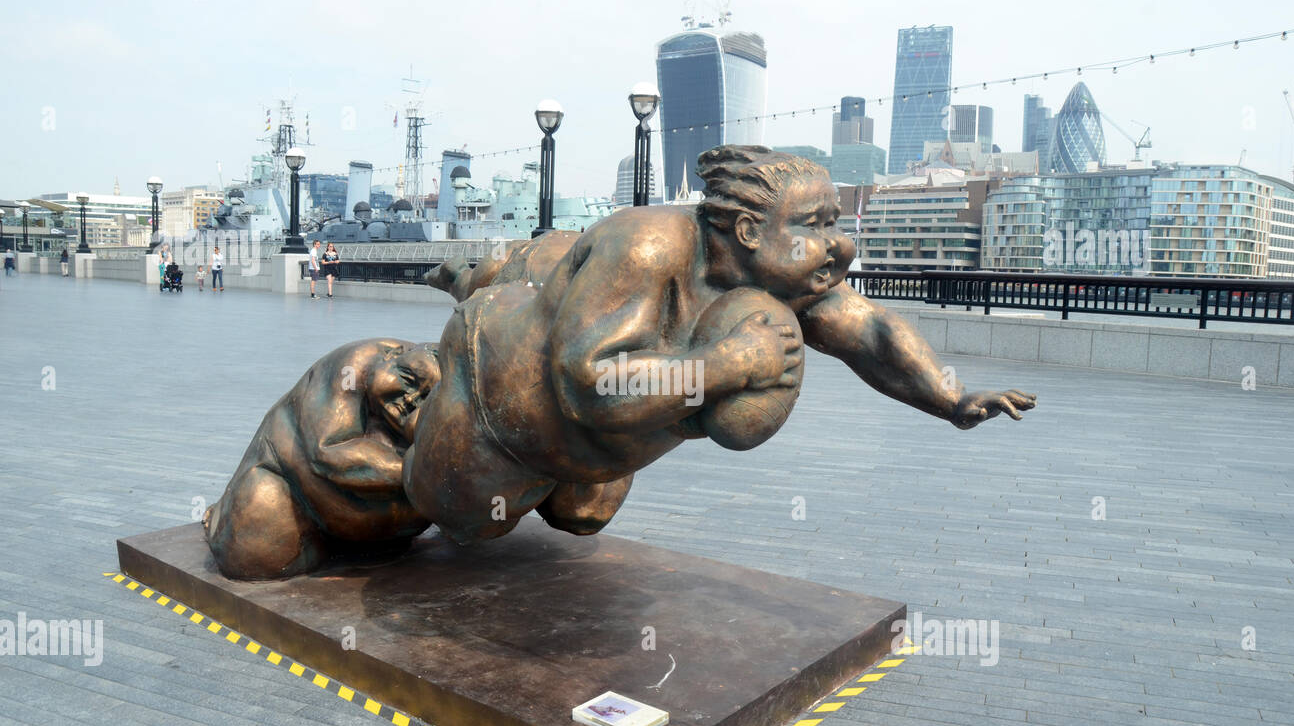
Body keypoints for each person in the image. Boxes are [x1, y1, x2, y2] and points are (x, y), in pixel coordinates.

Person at [406, 145, 1036, 546]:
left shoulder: (782, 281)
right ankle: (449, 299)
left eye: (836, 224)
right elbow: (590, 381)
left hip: (594, 455)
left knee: (582, 517)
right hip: (496, 395)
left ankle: (483, 280)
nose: (839, 246)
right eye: (815, 227)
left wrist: (950, 397)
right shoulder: (649, 245)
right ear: (747, 230)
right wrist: (731, 363)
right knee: (445, 511)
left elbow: (871, 333)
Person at [203, 339, 440, 579]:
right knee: (255, 551)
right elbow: (331, 451)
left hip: (383, 539)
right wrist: (421, 471)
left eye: (426, 401)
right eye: (408, 381)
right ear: (391, 356)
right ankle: (225, 516)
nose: (409, 400)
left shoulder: (451, 403)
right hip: (294, 495)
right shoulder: (351, 368)